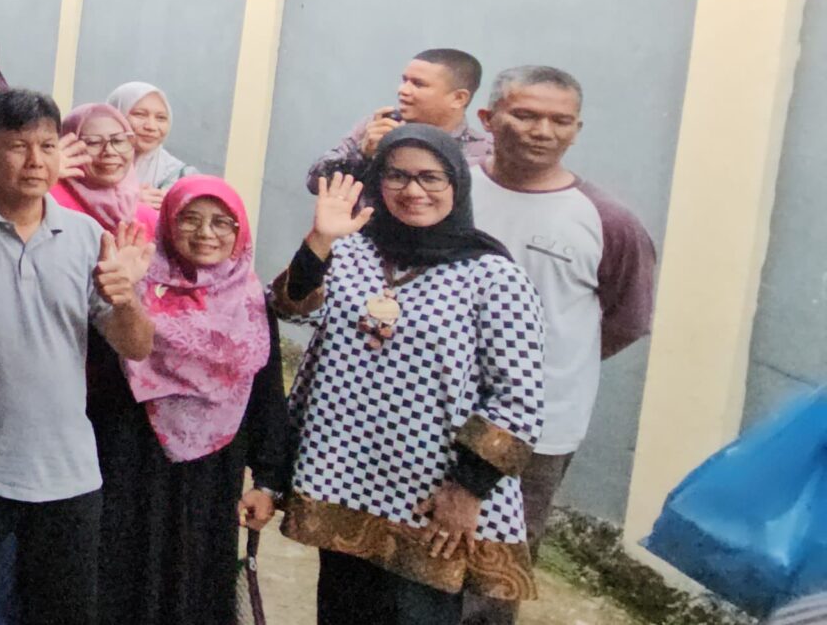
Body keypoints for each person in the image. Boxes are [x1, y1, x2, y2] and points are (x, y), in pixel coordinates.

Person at [0, 88, 156, 625]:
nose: (36, 161)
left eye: (47, 145)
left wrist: (125, 299)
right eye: (18, 146)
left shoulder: (86, 236)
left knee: (65, 612)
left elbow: (135, 346)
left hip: (66, 469)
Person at [272, 127, 545, 623]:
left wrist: (466, 490)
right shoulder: (351, 251)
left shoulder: (493, 277)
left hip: (431, 497)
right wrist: (320, 240)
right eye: (396, 176)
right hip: (342, 479)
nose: (413, 190)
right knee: (342, 611)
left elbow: (518, 398)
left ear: (457, 183)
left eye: (430, 177)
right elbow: (291, 307)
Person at [460, 67, 658, 625]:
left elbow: (624, 323)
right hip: (433, 408)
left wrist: (539, 374)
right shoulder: (450, 191)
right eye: (525, 115)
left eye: (560, 120)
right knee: (411, 550)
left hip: (538, 429)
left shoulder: (609, 222)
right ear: (488, 118)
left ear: (576, 130)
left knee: (493, 569)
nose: (542, 131)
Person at [86, 177, 291, 625]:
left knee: (197, 578)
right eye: (190, 219)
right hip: (132, 457)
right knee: (122, 571)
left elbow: (265, 393)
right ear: (167, 224)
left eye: (221, 222)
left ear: (239, 232)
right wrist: (124, 299)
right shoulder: (135, 283)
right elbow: (100, 376)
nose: (205, 233)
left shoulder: (252, 302)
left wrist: (268, 480)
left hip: (214, 469)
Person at [308, 49, 492, 190]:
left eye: (418, 84)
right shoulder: (377, 128)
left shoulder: (485, 153)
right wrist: (363, 155)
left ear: (458, 98)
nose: (402, 90)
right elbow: (316, 184)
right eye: (405, 80)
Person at [53, 102, 160, 234]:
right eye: (93, 142)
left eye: (118, 141)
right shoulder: (48, 204)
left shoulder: (147, 218)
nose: (109, 151)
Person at [106, 82, 194, 201]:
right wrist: (126, 201)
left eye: (161, 118)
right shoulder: (89, 165)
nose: (151, 126)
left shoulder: (181, 176)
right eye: (140, 114)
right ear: (116, 116)